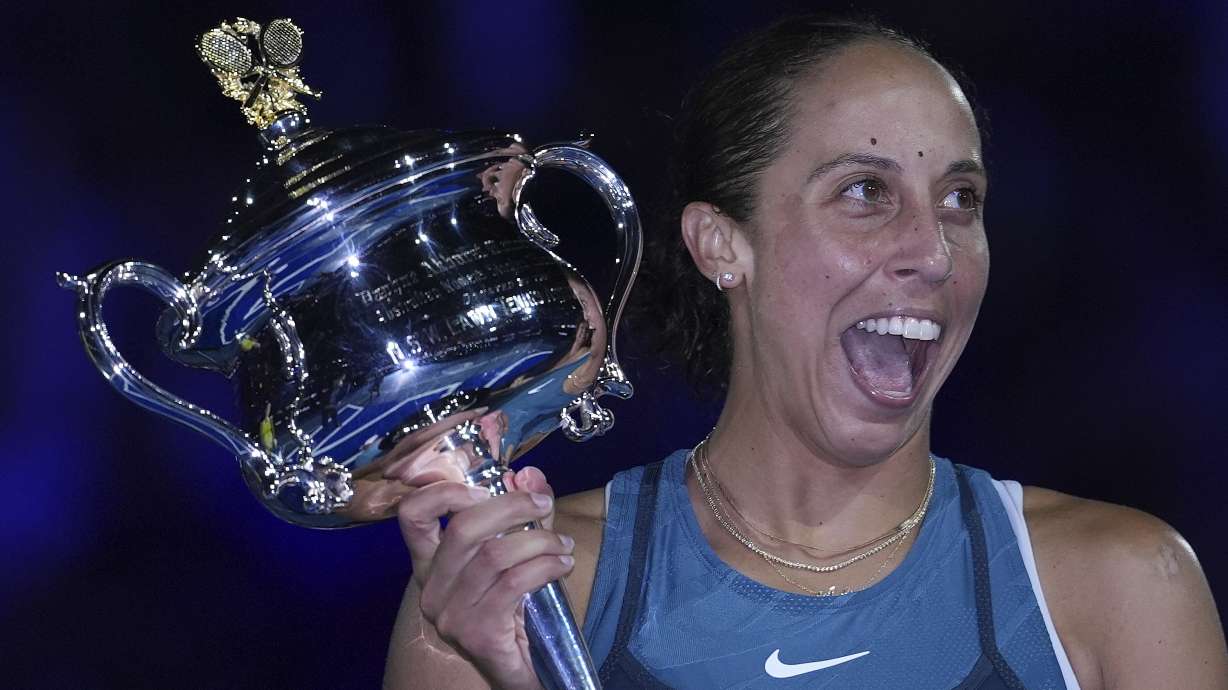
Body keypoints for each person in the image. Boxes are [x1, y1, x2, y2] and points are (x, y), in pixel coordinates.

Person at [382, 16, 1228, 689]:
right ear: (722, 245)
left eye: (960, 199)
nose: (933, 253)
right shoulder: (519, 596)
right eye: (865, 193)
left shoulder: (1125, 587)